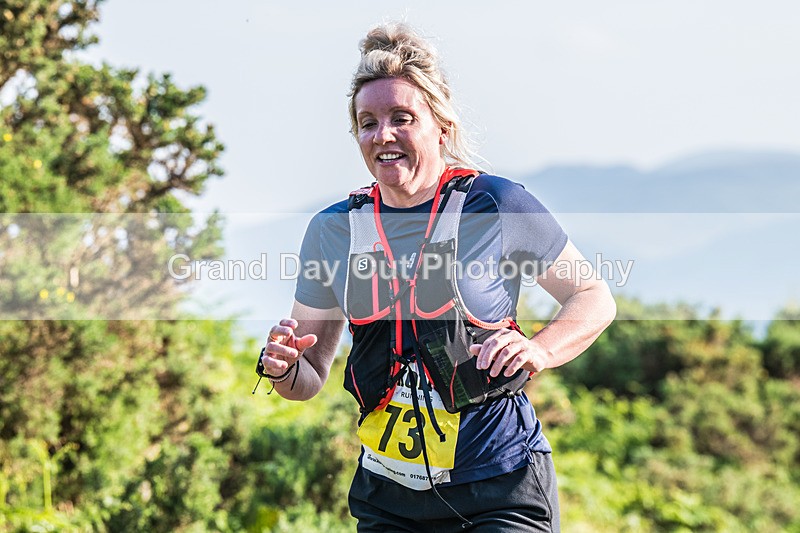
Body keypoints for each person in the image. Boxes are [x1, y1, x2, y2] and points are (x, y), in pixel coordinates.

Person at [259, 22, 616, 532]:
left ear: (440, 125)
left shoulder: (496, 204)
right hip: (389, 502)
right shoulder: (334, 230)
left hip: (501, 485)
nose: (383, 134)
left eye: (401, 118)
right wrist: (282, 368)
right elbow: (308, 376)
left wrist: (541, 350)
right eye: (367, 122)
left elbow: (592, 296)